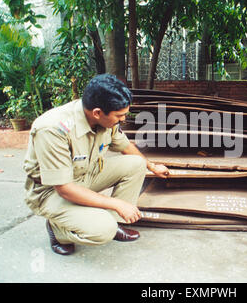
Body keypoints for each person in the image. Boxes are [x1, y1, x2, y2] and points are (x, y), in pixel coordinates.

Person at [23, 74, 169, 255]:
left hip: (85, 176)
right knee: (103, 230)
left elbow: (124, 146)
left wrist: (152, 166)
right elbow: (64, 189)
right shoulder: (53, 129)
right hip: (51, 192)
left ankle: (114, 222)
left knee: (137, 163)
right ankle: (58, 231)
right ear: (97, 112)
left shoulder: (106, 120)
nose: (123, 120)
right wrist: (116, 203)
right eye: (119, 116)